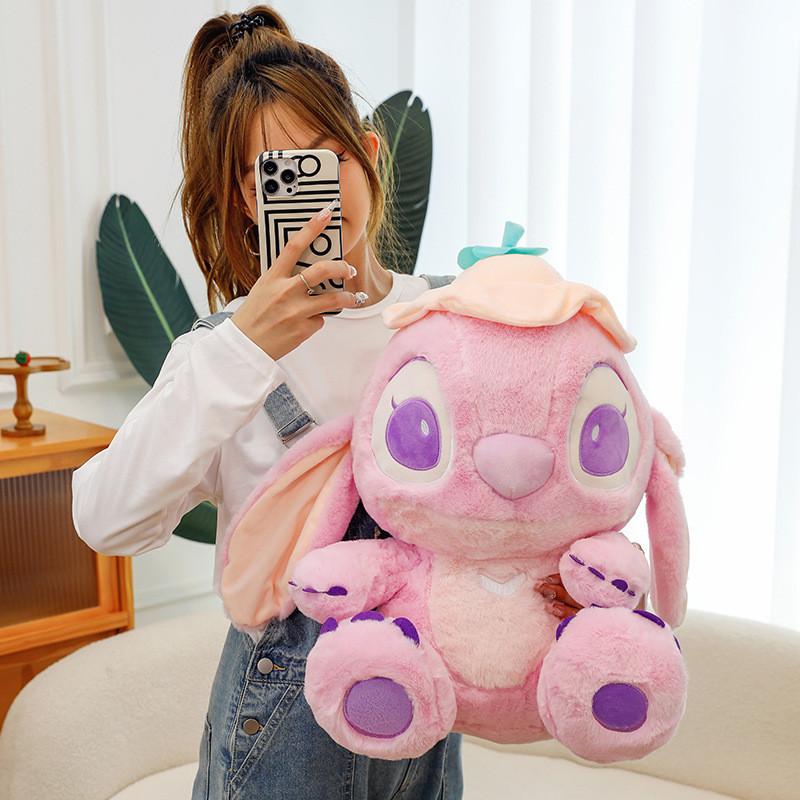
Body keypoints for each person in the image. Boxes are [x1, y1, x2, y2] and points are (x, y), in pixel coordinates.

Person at [71, 6, 465, 799]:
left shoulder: (447, 322)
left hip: (426, 713)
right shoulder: (219, 355)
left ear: (369, 156)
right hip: (281, 728)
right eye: (280, 174)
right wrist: (244, 348)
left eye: (328, 158)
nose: (315, 194)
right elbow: (105, 520)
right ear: (250, 201)